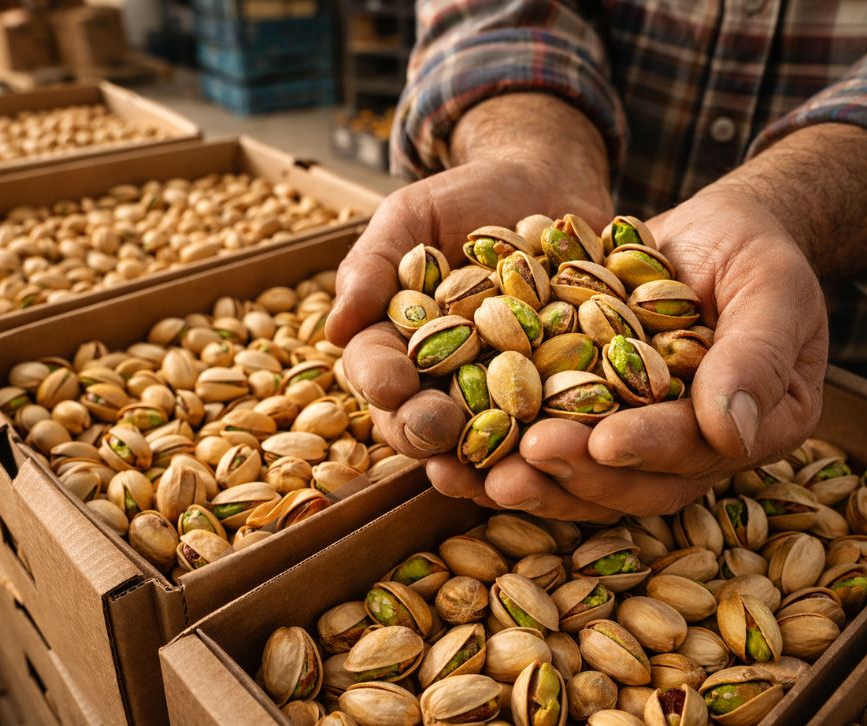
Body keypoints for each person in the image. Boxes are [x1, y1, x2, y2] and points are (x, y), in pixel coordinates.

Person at [325, 1, 867, 521]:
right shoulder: (540, 301)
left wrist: (786, 206)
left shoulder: (590, 317)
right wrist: (530, 151)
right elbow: (498, 13)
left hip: (832, 344)